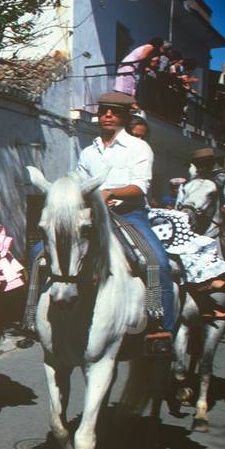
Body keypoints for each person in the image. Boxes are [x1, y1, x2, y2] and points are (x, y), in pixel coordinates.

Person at [77, 91, 176, 337]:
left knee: (157, 262)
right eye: (104, 111)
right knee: (43, 255)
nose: (108, 115)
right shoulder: (88, 152)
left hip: (129, 215)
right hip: (92, 215)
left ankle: (162, 327)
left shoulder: (138, 147)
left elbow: (139, 187)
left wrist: (110, 193)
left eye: (115, 112)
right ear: (98, 115)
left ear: (124, 116)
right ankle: (35, 315)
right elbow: (79, 182)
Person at [177, 147, 225, 215]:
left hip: (216, 223)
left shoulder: (223, 181)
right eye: (199, 164)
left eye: (206, 163)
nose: (202, 167)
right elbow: (179, 204)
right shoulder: (186, 185)